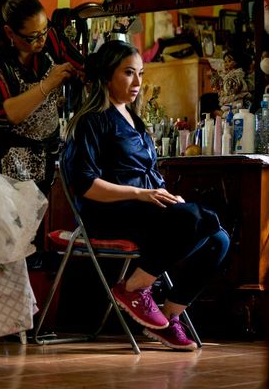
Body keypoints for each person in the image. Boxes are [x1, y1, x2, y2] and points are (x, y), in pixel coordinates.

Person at [63, 40, 230, 350]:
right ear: (106, 76)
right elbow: (84, 185)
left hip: (142, 211)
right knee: (195, 218)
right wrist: (140, 193)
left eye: (140, 73)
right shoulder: (91, 121)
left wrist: (166, 197)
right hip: (107, 213)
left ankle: (169, 316)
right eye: (129, 73)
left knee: (219, 239)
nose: (138, 82)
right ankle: (134, 288)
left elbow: (148, 176)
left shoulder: (135, 121)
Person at [0, 0, 84, 195]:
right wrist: (47, 84)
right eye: (33, 37)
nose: (42, 40)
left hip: (41, 150)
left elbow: (82, 67)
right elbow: (4, 116)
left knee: (34, 219)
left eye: (44, 30)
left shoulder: (49, 37)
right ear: (10, 33)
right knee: (5, 221)